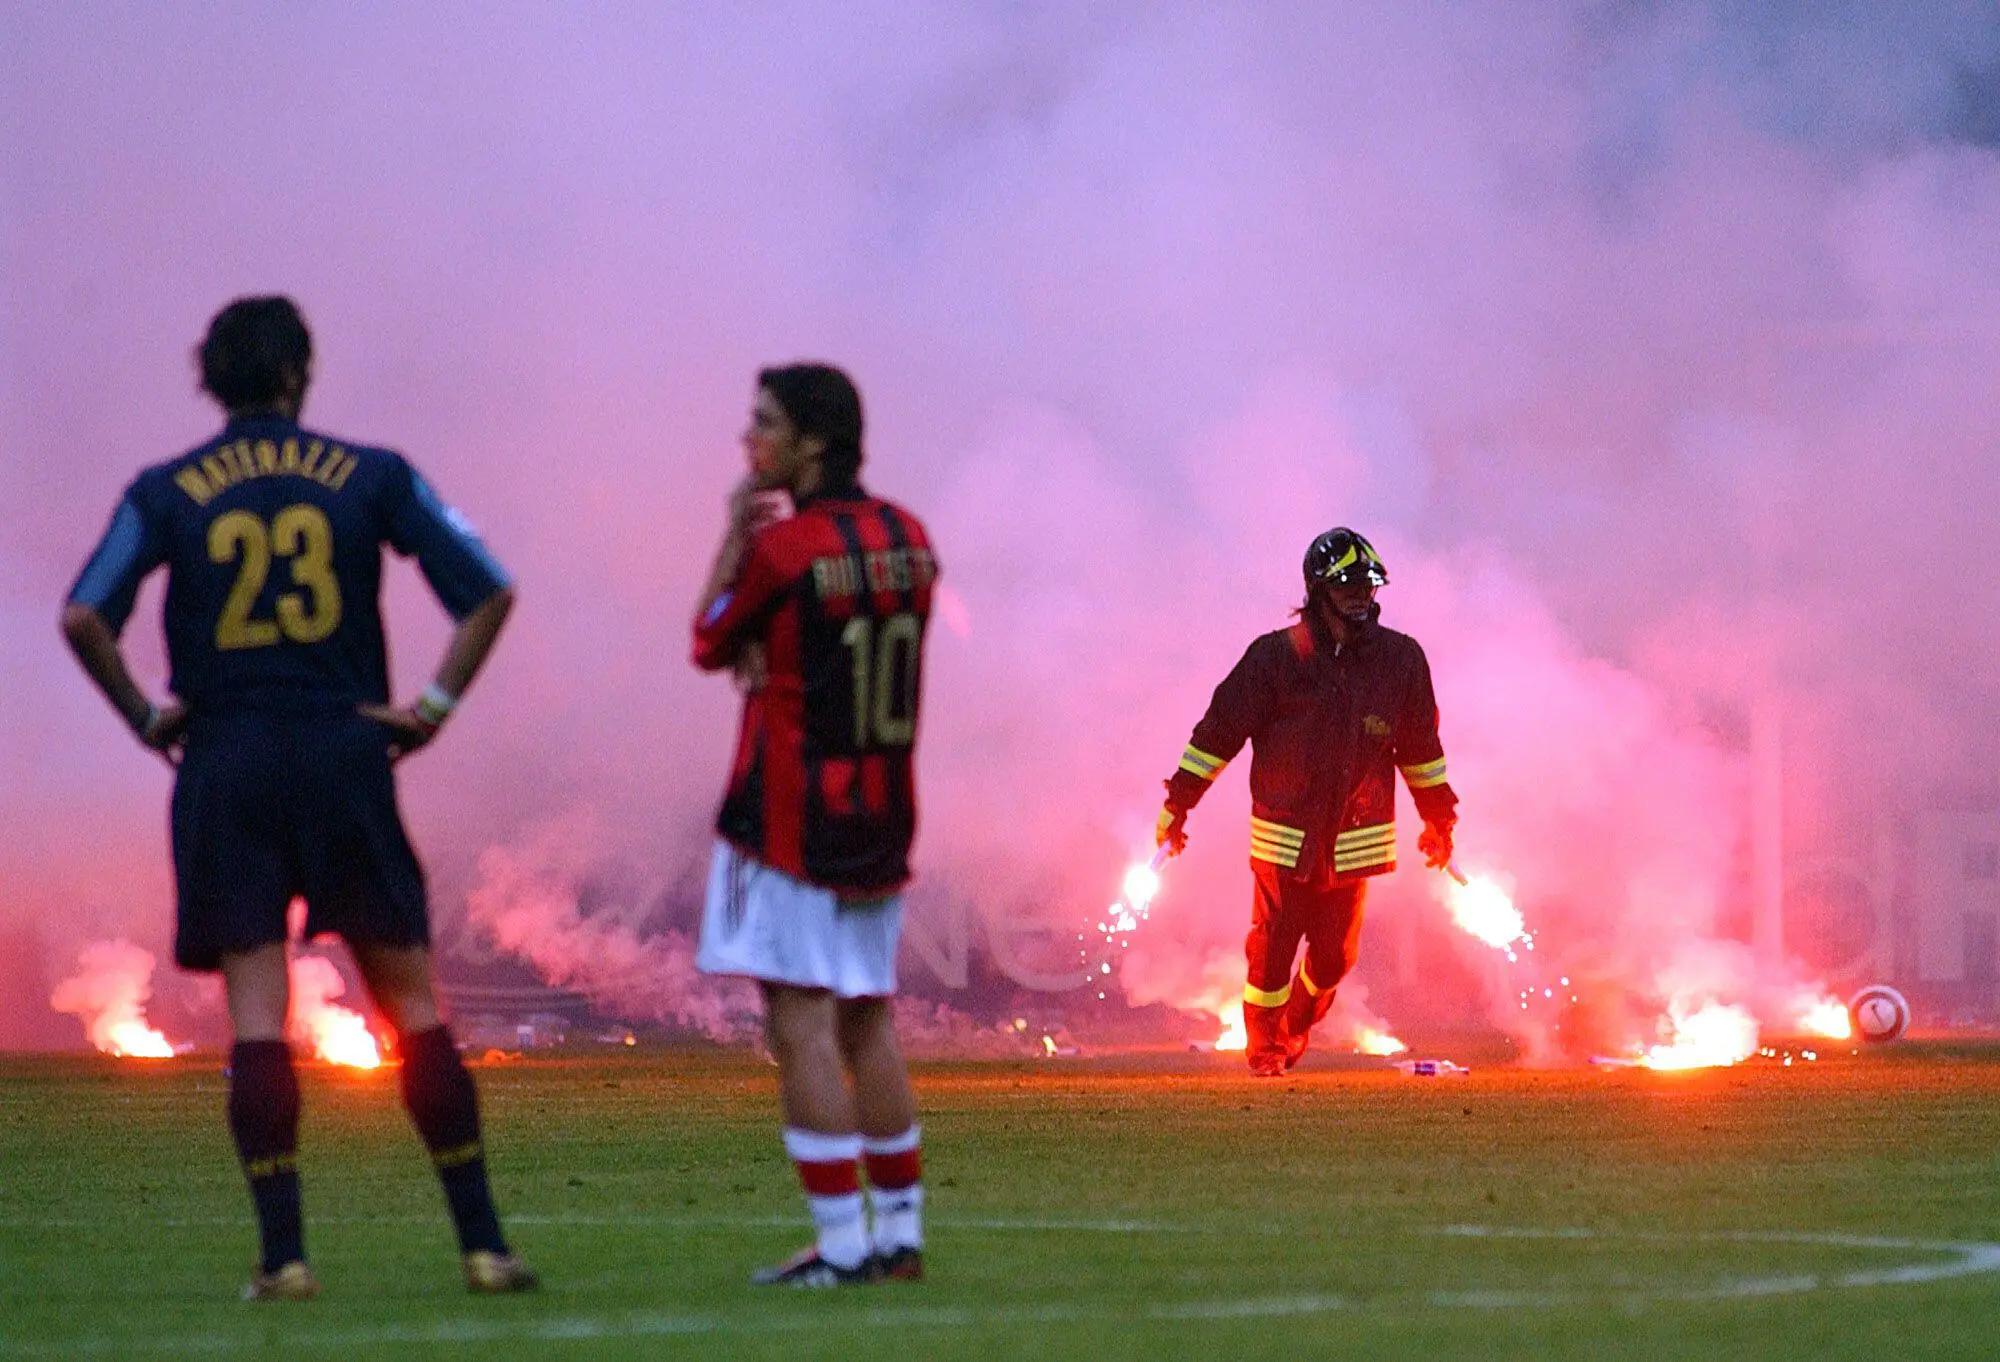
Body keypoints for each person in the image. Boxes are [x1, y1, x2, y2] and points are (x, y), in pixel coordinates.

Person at [60, 296, 536, 1300]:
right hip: (342, 749)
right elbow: (488, 587)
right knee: (411, 1003)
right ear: (301, 374)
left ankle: (284, 1260)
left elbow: (82, 615)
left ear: (212, 381)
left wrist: (149, 720)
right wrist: (435, 707)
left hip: (225, 760)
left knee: (257, 1017)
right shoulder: (372, 473)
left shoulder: (164, 490)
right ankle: (485, 1248)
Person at [692, 363, 937, 1287]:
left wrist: (732, 533)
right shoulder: (910, 537)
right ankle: (901, 1235)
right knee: (867, 1020)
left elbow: (710, 637)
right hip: (883, 811)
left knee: (797, 1025)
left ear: (814, 442)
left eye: (765, 424)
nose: (750, 440)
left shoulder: (785, 548)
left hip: (790, 818)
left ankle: (839, 1246)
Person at [1156, 528, 1458, 1077]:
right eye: (1345, 584)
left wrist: (1439, 819)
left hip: (1356, 834)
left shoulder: (1401, 661)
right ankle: (1265, 1046)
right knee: (1270, 951)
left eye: (1366, 584)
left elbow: (1421, 751)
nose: (1359, 595)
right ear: (1317, 590)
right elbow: (1218, 733)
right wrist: (1179, 803)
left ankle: (1296, 1023)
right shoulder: (1275, 658)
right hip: (1285, 832)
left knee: (1334, 958)